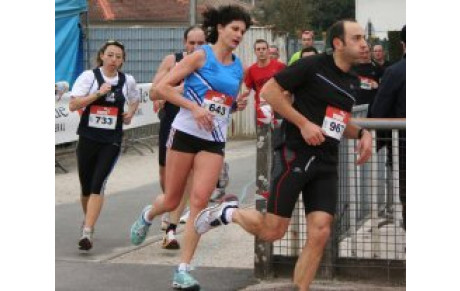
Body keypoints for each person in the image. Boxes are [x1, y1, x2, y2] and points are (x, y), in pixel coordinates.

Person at [195, 19, 373, 291]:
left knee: (321, 230)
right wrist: (303, 124)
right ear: (338, 43)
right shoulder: (312, 65)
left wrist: (362, 134)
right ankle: (229, 212)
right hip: (296, 155)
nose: (364, 44)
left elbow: (337, 120)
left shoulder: (351, 79)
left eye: (364, 38)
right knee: (272, 230)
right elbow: (270, 92)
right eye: (357, 38)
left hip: (326, 161)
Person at [129, 5, 252, 289]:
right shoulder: (200, 56)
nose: (238, 35)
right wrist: (193, 108)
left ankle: (182, 269)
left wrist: (234, 106)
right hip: (184, 132)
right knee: (172, 200)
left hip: (214, 140)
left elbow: (221, 104)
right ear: (220, 28)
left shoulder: (238, 67)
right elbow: (159, 89)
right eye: (234, 29)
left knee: (198, 201)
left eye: (242, 32)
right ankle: (149, 214)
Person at [69, 40, 140, 251]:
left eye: (118, 57)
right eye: (110, 55)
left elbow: (136, 99)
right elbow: (73, 104)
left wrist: (130, 114)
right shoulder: (89, 77)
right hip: (88, 138)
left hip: (111, 140)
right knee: (86, 187)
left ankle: (88, 231)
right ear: (102, 56)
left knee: (98, 183)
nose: (114, 60)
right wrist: (98, 93)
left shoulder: (128, 81)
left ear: (122, 60)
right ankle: (88, 221)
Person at [151, 25, 206, 250]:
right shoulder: (172, 60)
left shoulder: (209, 64)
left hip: (196, 128)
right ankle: (166, 207)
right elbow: (154, 90)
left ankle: (171, 230)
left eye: (200, 43)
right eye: (192, 43)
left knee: (188, 178)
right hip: (171, 122)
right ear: (185, 43)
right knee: (167, 179)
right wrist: (175, 92)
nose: (195, 47)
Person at [371, 25, 406, 230]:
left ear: (402, 45)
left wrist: (380, 142)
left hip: (403, 146)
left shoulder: (395, 72)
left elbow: (379, 111)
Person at [241, 39, 286, 199]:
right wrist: (241, 98)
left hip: (279, 110)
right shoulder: (252, 70)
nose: (261, 51)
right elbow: (248, 88)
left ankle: (279, 182)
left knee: (278, 146)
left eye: (263, 49)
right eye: (258, 49)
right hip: (261, 111)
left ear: (268, 50)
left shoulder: (278, 66)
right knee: (262, 147)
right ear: (255, 51)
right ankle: (262, 186)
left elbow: (287, 84)